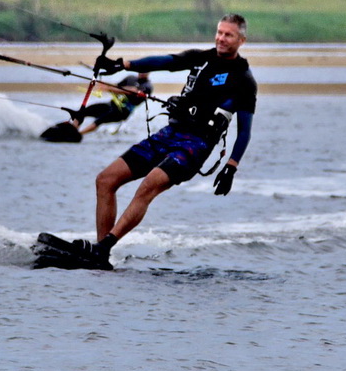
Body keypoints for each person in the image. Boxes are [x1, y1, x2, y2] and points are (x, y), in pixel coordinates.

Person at [69, 14, 257, 267]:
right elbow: (167, 61)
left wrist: (231, 166)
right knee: (105, 180)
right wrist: (123, 64)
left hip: (196, 145)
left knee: (149, 185)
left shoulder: (244, 80)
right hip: (169, 134)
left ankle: (104, 247)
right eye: (219, 32)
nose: (221, 38)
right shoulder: (201, 57)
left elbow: (244, 130)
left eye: (228, 35)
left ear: (241, 40)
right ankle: (100, 253)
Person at [71, 72, 153, 136]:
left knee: (99, 120)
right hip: (111, 105)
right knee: (84, 111)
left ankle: (78, 135)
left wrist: (109, 88)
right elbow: (115, 88)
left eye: (145, 71)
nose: (142, 72)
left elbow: (132, 91)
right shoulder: (130, 78)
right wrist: (106, 86)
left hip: (123, 112)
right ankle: (72, 130)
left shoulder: (147, 86)